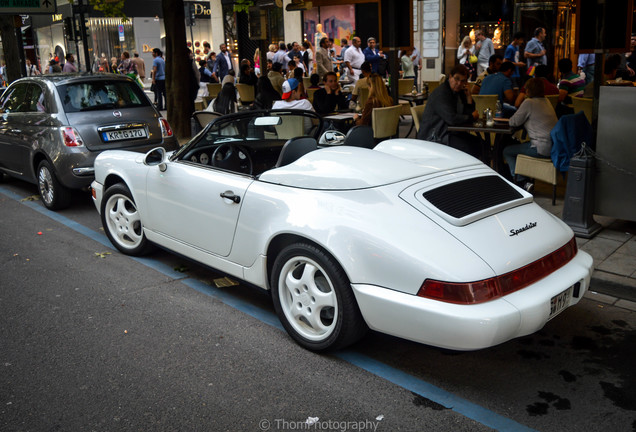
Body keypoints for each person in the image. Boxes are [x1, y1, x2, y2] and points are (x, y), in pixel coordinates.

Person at [417, 64, 486, 160]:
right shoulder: (442, 93)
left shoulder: (459, 92)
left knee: (482, 144)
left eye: (462, 81)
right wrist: (471, 117)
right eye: (456, 79)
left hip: (450, 132)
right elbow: (451, 118)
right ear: (450, 77)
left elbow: (468, 112)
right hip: (436, 136)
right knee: (471, 148)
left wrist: (468, 96)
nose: (458, 83)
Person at [503, 78, 558, 191]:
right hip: (553, 147)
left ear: (528, 90)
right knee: (517, 145)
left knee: (507, 151)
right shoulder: (546, 101)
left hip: (540, 149)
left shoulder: (529, 102)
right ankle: (524, 178)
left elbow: (513, 122)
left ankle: (521, 182)